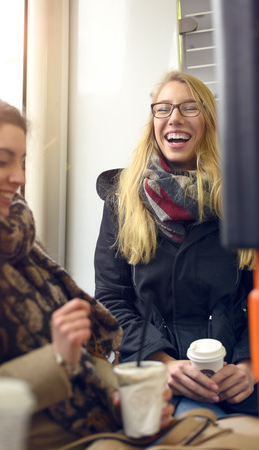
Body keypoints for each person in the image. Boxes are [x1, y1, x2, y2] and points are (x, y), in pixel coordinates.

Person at [0, 93, 174, 449]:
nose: (18, 178)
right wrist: (56, 358)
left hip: (104, 427)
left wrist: (119, 402)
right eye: (1, 161)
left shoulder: (18, 240)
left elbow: (86, 359)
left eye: (23, 162)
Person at [94, 70, 258, 418]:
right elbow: (111, 299)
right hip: (156, 377)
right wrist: (162, 362)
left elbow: (255, 292)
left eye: (189, 108)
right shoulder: (122, 201)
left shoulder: (244, 199)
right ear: (153, 120)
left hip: (236, 377)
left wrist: (249, 364)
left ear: (209, 121)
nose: (175, 118)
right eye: (163, 108)